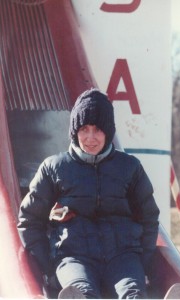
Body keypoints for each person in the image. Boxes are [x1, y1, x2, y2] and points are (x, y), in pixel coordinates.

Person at [17, 88, 160, 299]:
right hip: (74, 257)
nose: (90, 137)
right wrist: (47, 266)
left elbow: (148, 217)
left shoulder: (129, 168)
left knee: (132, 291)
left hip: (122, 256)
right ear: (75, 131)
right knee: (81, 292)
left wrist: (144, 262)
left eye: (98, 129)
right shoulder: (55, 167)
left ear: (108, 132)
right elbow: (29, 220)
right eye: (84, 129)